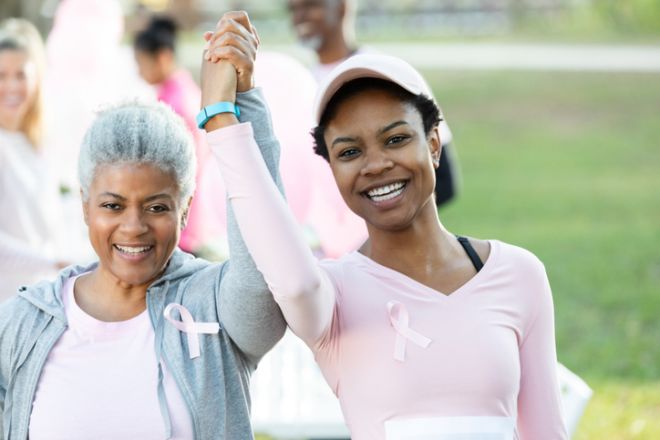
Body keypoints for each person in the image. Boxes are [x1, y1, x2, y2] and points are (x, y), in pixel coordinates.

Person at [203, 18, 568, 438]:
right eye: (350, 151)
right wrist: (222, 120)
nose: (376, 165)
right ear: (333, 171)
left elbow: (547, 432)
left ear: (433, 144)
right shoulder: (332, 296)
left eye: (395, 139)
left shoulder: (518, 274)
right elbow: (293, 283)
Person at [0, 12, 286, 438]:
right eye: (113, 206)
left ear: (184, 210)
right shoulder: (24, 321)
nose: (133, 227)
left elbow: (268, 261)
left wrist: (236, 109)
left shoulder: (213, 307)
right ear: (84, 206)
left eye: (155, 207)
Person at [287, 0, 460, 208]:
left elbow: (444, 180)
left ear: (342, 7)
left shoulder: (390, 74)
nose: (299, 16)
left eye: (310, 6)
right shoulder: (300, 83)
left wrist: (389, 221)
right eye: (293, 9)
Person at [0, 18, 70, 302]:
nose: (12, 86)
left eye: (21, 75)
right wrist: (54, 261)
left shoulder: (41, 143)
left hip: (42, 297)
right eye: (2, 75)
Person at [134, 15, 209, 254]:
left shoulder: (173, 103)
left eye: (142, 63)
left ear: (163, 57)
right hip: (189, 219)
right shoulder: (186, 91)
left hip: (176, 224)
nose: (139, 71)